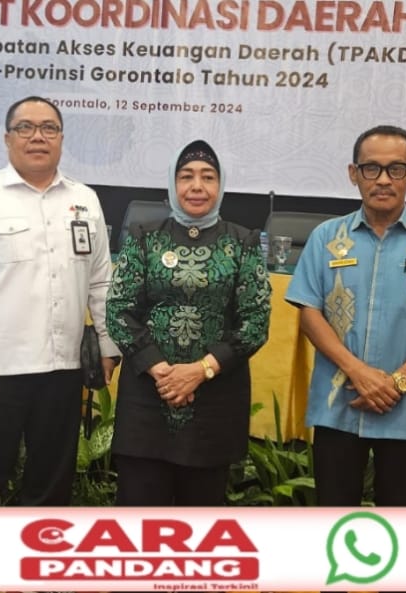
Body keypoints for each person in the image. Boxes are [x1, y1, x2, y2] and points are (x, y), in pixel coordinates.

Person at [285, 125, 406, 506]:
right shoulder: (326, 237)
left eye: (396, 169)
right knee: (333, 518)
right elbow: (309, 315)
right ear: (353, 173)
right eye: (371, 168)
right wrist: (358, 372)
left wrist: (397, 382)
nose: (384, 180)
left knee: (400, 521)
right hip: (340, 404)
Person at [0, 96, 119, 506]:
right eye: (25, 128)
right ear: (7, 139)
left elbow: (101, 282)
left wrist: (108, 347)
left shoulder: (85, 200)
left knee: (52, 487)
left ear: (61, 139)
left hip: (63, 370)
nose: (38, 136)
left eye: (49, 128)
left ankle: (40, 547)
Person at [106, 139, 271, 505]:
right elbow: (119, 310)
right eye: (186, 176)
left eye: (208, 177)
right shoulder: (143, 238)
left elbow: (255, 321)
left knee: (201, 513)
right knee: (138, 511)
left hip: (214, 400)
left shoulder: (243, 242)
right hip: (148, 398)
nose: (197, 186)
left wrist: (201, 370)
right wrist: (162, 371)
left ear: (221, 185)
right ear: (172, 182)